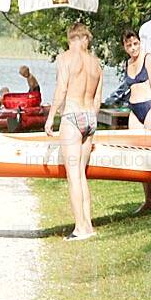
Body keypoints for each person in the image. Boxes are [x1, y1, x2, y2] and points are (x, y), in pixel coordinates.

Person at [45, 23, 103, 240]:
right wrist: (91, 118)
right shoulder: (96, 63)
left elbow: (61, 89)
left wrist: (51, 117)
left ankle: (80, 228)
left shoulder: (65, 58)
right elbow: (97, 99)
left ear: (72, 38)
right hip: (90, 117)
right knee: (81, 174)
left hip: (72, 116)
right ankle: (88, 225)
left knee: (73, 176)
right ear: (86, 39)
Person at [119, 28, 151, 212]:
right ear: (124, 47)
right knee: (139, 154)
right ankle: (149, 199)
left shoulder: (148, 59)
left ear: (140, 43)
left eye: (135, 44)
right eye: (129, 45)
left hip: (150, 106)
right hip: (135, 109)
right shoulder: (127, 63)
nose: (133, 48)